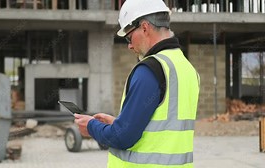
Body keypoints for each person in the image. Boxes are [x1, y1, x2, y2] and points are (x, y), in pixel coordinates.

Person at [74, 0, 200, 167]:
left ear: (145, 28)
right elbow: (163, 127)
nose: (130, 45)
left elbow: (122, 137)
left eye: (129, 37)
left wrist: (90, 127)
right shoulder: (188, 69)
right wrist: (118, 122)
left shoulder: (150, 69)